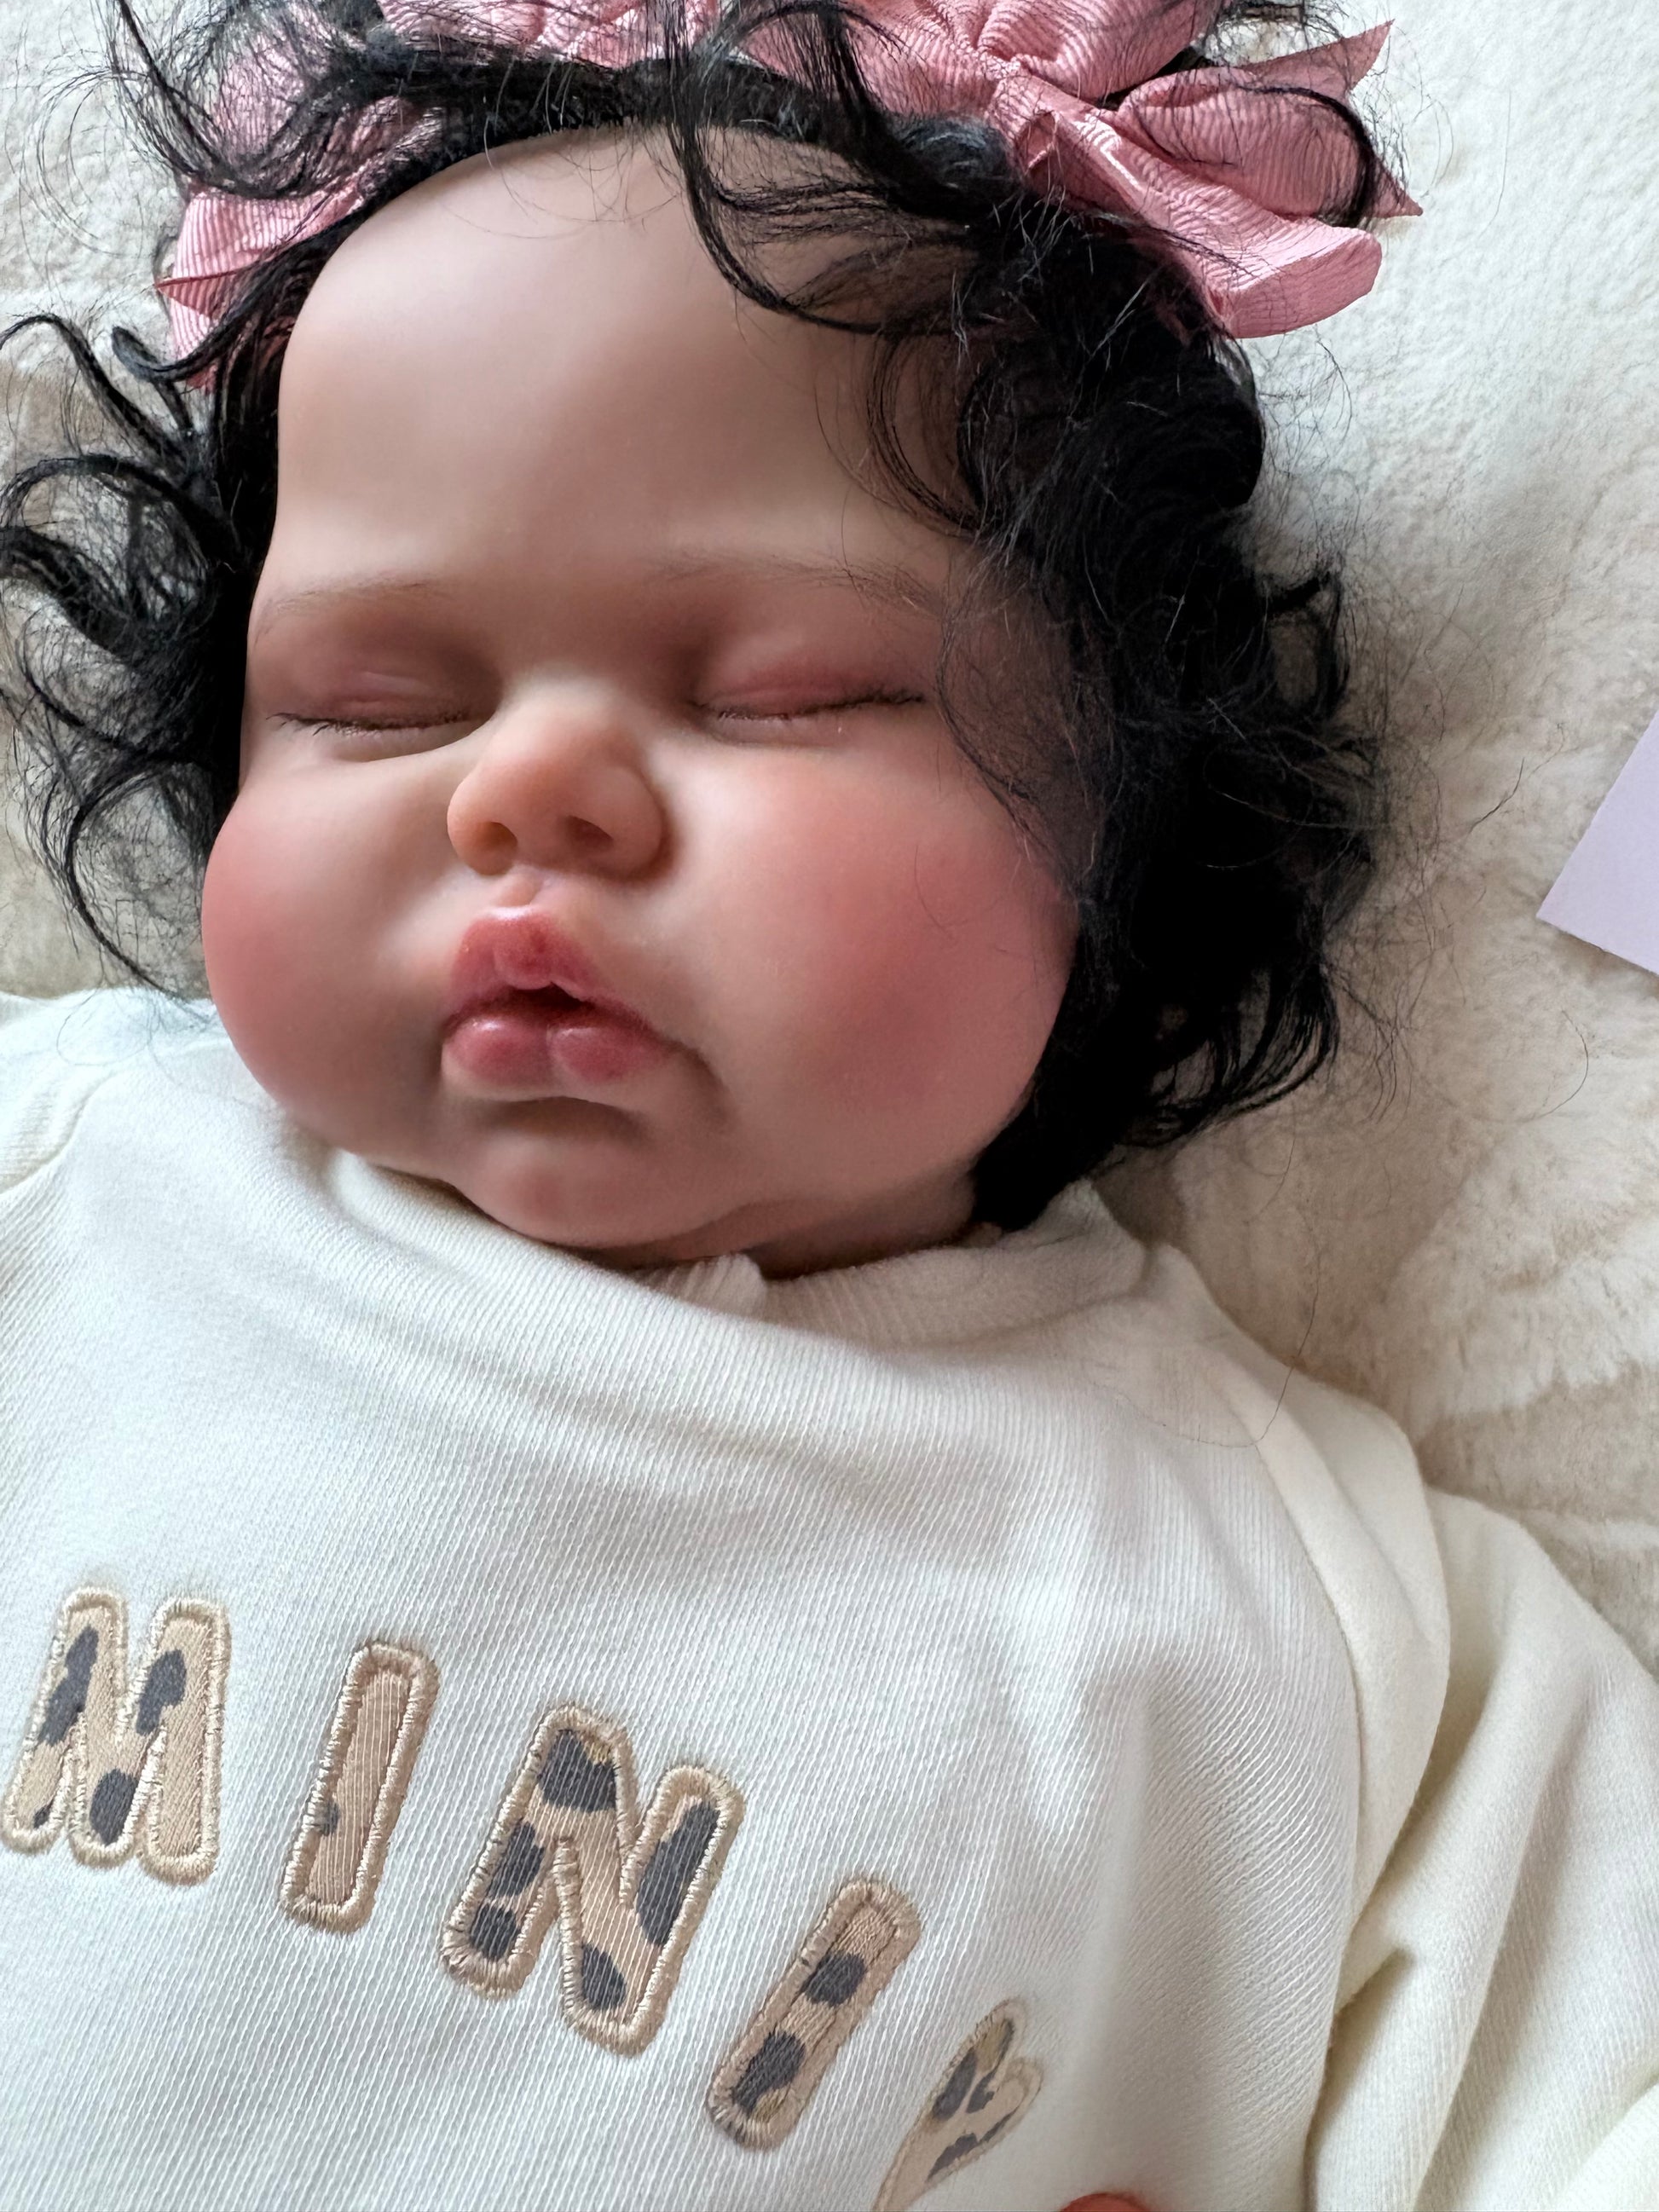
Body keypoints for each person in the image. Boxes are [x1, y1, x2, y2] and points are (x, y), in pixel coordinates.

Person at [0, 3, 1653, 2207]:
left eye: (782, 695)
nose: (525, 791)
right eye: (375, 705)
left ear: (1131, 814)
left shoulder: (1300, 1617)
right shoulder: (76, 1179)